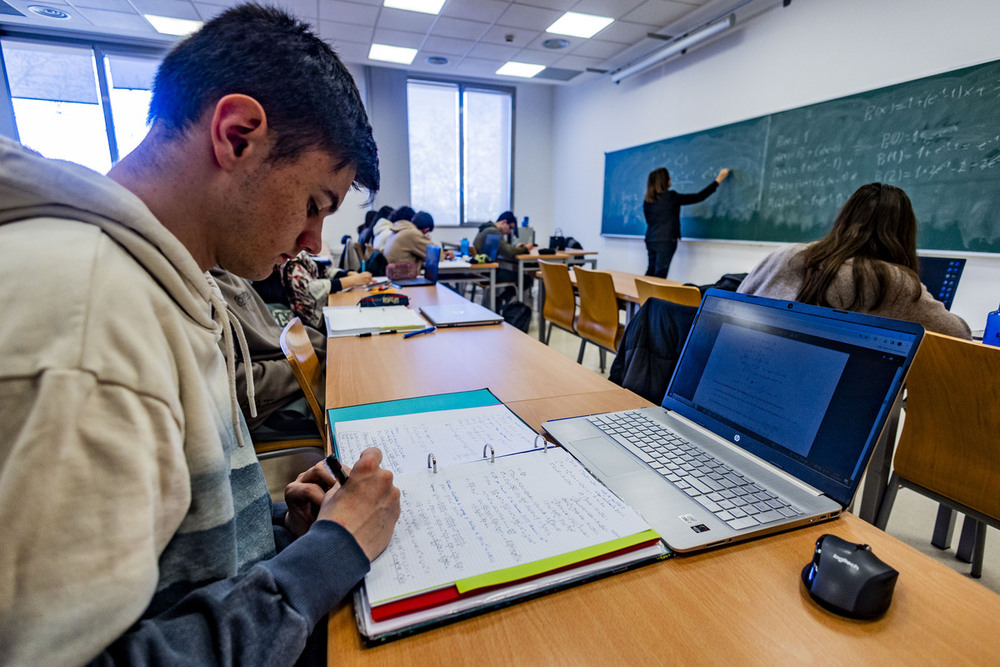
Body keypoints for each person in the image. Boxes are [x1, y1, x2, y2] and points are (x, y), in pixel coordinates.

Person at [0, 5, 400, 665]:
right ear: (238, 135)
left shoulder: (176, 287)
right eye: (313, 204)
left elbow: (169, 563)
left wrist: (281, 533)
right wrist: (325, 558)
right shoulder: (89, 324)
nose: (313, 241)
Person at [737, 183, 971, 338]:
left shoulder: (785, 254)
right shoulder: (890, 281)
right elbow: (958, 336)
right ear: (904, 232)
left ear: (844, 218)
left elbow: (733, 304)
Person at [212, 266, 326, 433]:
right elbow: (234, 388)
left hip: (288, 384)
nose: (315, 247)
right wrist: (307, 362)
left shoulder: (232, 273)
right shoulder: (203, 293)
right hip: (266, 415)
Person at [643, 167, 730, 278]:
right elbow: (699, 197)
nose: (670, 178)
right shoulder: (671, 197)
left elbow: (648, 220)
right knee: (660, 274)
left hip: (651, 239)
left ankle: (643, 294)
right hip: (666, 240)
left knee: (650, 271)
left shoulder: (648, 200)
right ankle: (652, 295)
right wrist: (718, 180)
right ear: (665, 180)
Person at [281, 250, 372, 329]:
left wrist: (347, 273)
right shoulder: (289, 264)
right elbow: (311, 289)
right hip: (311, 326)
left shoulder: (301, 255)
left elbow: (322, 270)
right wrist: (353, 280)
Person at [474, 211, 535, 305]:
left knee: (513, 272)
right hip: (489, 273)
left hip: (482, 272)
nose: (510, 231)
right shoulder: (493, 231)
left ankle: (501, 300)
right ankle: (502, 300)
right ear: (504, 222)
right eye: (510, 227)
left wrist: (515, 248)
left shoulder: (485, 228)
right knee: (526, 279)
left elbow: (503, 248)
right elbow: (508, 252)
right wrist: (526, 248)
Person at [384, 209, 452, 264]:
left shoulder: (400, 230)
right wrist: (445, 254)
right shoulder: (412, 233)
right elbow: (435, 255)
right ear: (426, 230)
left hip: (395, 274)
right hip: (404, 277)